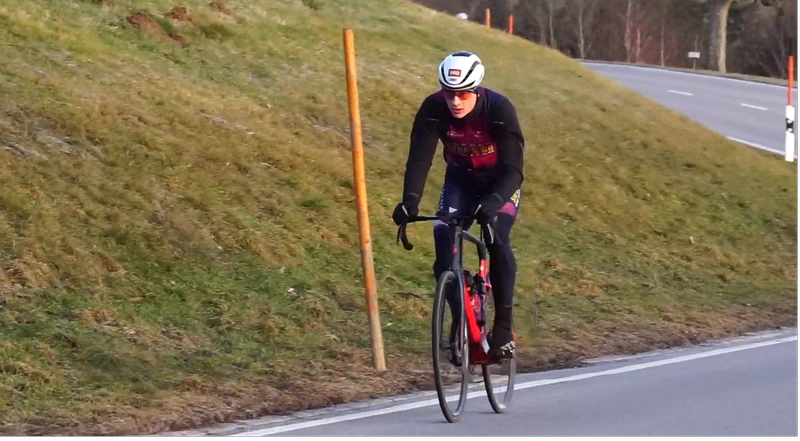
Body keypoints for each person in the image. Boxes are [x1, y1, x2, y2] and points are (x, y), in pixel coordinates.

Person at [391, 51, 525, 359]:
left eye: (463, 94)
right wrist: (410, 200)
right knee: (443, 238)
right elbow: (419, 158)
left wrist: (493, 201)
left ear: (477, 90)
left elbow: (514, 170)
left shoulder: (499, 109)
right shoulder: (433, 108)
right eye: (449, 93)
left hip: (500, 181)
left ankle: (504, 328)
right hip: (460, 179)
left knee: (497, 235)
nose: (455, 101)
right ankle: (460, 317)